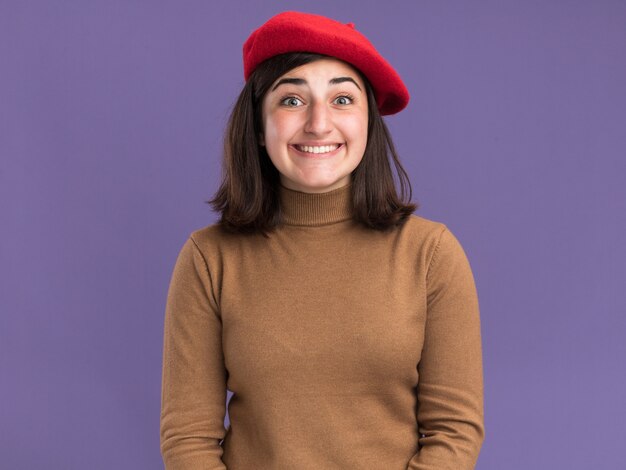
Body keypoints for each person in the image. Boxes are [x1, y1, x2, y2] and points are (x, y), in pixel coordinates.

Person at [160, 10, 485, 470]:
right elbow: (188, 438)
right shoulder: (209, 259)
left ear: (368, 123)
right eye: (291, 100)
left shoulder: (430, 254)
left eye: (342, 100)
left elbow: (455, 430)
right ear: (257, 125)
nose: (318, 123)